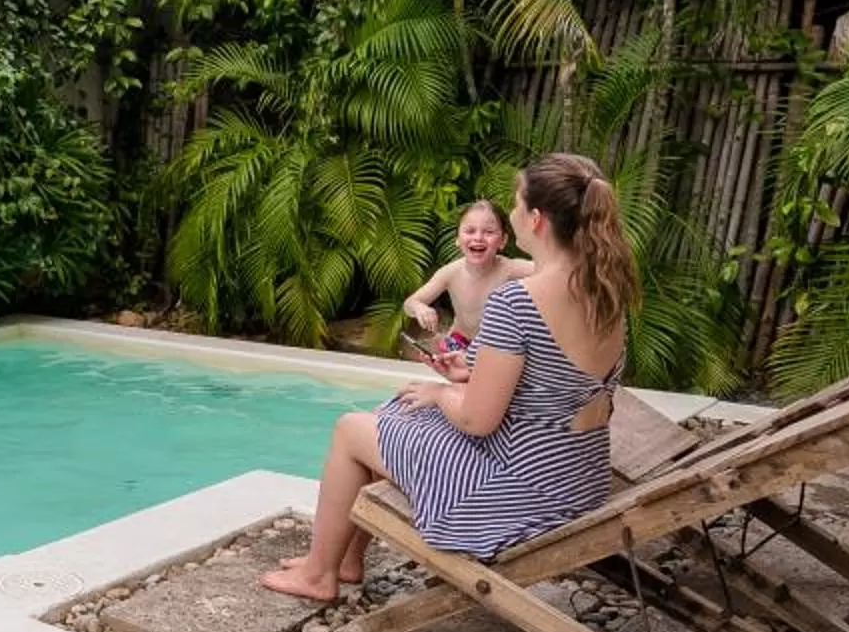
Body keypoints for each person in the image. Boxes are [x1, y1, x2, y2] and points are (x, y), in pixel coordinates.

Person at [262, 154, 637, 602]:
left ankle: (318, 575)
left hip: (517, 493)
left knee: (350, 430)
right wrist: (469, 369)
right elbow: (557, 382)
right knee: (397, 411)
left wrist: (443, 391)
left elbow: (478, 422)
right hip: (576, 477)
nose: (511, 214)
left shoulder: (516, 300)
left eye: (515, 205)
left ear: (536, 220)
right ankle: (344, 559)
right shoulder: (606, 290)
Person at [400, 199, 530, 374]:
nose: (478, 238)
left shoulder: (510, 269)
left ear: (503, 241)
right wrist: (419, 308)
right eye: (470, 231)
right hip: (458, 345)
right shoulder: (450, 273)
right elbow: (409, 303)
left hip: (493, 350)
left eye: (489, 232)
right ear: (457, 239)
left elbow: (553, 271)